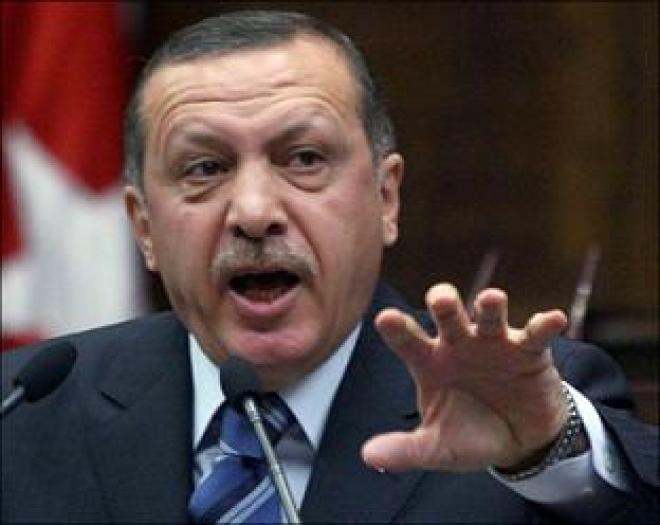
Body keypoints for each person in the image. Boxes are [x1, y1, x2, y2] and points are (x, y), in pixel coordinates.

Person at [2, 10, 658, 524]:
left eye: (304, 159)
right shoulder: (24, 410)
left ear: (385, 198)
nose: (254, 212)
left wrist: (548, 448)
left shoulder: (520, 407)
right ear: (144, 226)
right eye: (205, 168)